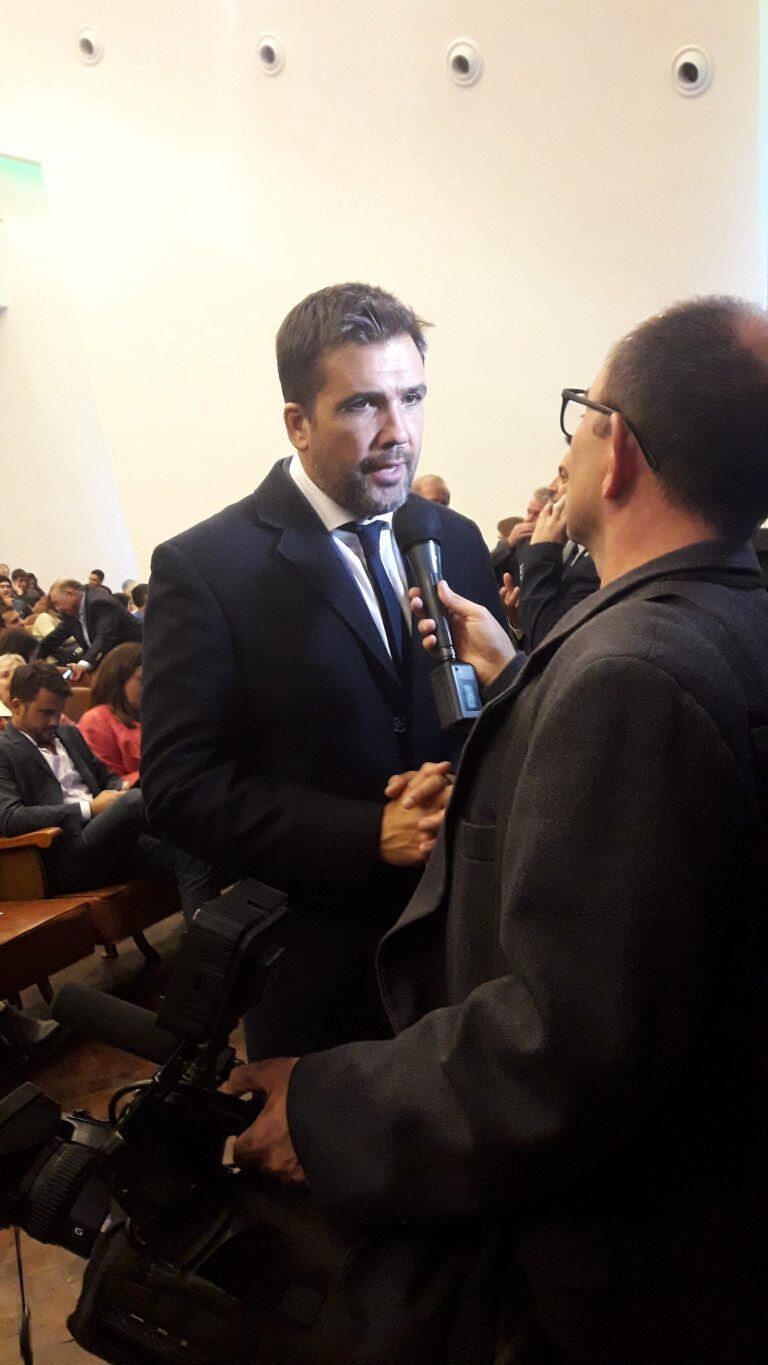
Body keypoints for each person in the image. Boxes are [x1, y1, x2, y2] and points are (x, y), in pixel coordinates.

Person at [224, 297, 768, 1364]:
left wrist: (329, 1110)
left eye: (584, 413)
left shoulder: (632, 676)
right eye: (366, 401)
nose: (397, 427)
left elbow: (561, 1041)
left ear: (617, 453)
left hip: (620, 1260)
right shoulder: (719, 620)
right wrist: (519, 673)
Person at [142, 281, 505, 1055]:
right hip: (326, 975)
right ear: (297, 423)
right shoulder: (207, 566)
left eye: (412, 398)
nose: (398, 433)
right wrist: (365, 830)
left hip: (475, 949)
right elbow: (179, 788)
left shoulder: (453, 536)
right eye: (362, 405)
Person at [0, 663, 211, 922]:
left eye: (59, 712)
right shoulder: (4, 750)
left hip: (111, 837)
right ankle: (210, 823)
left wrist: (120, 789)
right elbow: (10, 818)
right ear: (16, 705)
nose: (54, 721)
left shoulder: (68, 734)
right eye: (45, 712)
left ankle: (210, 952)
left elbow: (106, 778)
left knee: (192, 859)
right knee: (136, 802)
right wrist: (89, 809)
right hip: (66, 855)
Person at [502, 463, 600, 650]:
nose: (552, 486)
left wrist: (542, 547)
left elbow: (548, 642)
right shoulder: (574, 551)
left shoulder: (593, 563)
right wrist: (520, 622)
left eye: (564, 476)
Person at [43, 578, 142, 677]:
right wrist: (35, 660)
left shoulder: (100, 603)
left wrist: (83, 665)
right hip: (110, 664)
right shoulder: (70, 612)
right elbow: (54, 638)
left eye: (56, 603)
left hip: (135, 660)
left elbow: (104, 637)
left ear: (70, 594)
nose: (57, 608)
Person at [78, 642, 142, 784]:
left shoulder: (158, 714)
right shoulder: (96, 721)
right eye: (141, 679)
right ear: (119, 680)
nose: (149, 685)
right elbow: (108, 783)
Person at [490, 486, 550, 585]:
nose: (528, 519)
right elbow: (485, 569)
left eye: (537, 514)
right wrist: (508, 543)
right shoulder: (520, 543)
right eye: (529, 512)